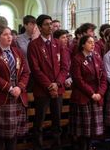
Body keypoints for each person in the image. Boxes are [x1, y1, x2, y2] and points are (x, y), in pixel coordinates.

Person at [0, 26, 30, 150]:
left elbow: (26, 72)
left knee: (13, 134)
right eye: (5, 34)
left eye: (10, 34)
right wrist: (9, 88)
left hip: (17, 96)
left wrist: (19, 87)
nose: (10, 37)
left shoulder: (17, 51)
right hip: (0, 97)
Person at [27, 14, 69, 150]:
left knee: (57, 119)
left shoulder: (58, 44)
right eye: (46, 24)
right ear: (39, 27)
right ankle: (38, 145)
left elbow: (64, 66)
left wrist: (57, 83)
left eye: (51, 23)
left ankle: (57, 144)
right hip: (42, 89)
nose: (50, 26)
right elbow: (35, 69)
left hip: (58, 88)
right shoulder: (34, 45)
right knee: (40, 120)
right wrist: (49, 85)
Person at [70, 35, 107, 150]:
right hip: (83, 96)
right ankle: (83, 147)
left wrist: (100, 93)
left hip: (96, 96)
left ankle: (90, 146)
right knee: (83, 128)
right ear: (82, 44)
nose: (93, 44)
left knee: (92, 127)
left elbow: (103, 77)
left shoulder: (97, 57)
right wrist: (92, 94)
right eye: (89, 42)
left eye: (93, 42)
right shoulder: (77, 59)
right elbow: (78, 80)